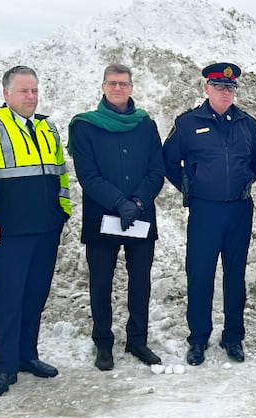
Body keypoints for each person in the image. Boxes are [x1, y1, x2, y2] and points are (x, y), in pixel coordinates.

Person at [0, 65, 72, 397]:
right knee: (10, 299)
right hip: (9, 232)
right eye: (24, 90)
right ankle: (5, 367)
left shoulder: (46, 127)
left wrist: (63, 209)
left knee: (35, 295)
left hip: (46, 228)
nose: (31, 96)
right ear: (6, 93)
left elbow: (61, 172)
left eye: (34, 90)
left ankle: (28, 356)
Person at [163, 62, 256, 366]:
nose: (225, 93)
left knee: (235, 276)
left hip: (239, 210)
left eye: (230, 88)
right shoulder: (188, 123)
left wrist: (244, 182)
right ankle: (198, 338)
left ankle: (233, 337)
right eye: (219, 87)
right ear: (206, 88)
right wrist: (190, 187)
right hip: (205, 211)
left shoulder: (248, 124)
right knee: (200, 274)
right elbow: (168, 161)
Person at [68, 63, 166, 371]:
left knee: (140, 282)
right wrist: (119, 202)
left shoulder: (146, 124)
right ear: (103, 87)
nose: (118, 88)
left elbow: (156, 169)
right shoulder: (85, 126)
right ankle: (103, 342)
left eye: (123, 83)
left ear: (131, 87)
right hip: (102, 216)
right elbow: (87, 174)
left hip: (140, 215)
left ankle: (137, 339)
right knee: (101, 283)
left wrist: (136, 202)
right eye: (112, 83)